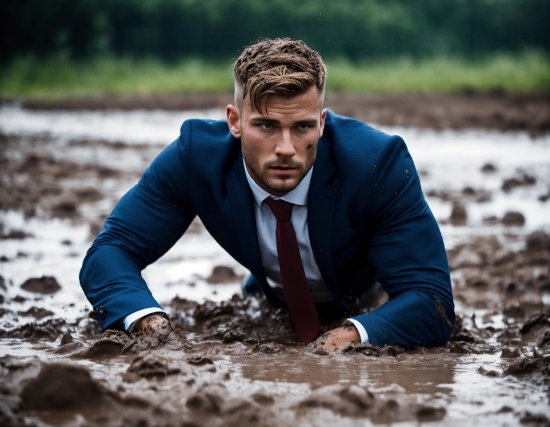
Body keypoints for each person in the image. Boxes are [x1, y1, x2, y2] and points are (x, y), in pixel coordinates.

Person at [80, 38, 455, 351]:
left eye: (303, 127)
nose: (286, 148)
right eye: (266, 126)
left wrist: (347, 337)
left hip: (361, 300)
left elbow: (431, 299)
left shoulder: (378, 165)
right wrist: (152, 327)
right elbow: (109, 252)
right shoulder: (196, 157)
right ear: (234, 121)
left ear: (322, 123)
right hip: (266, 296)